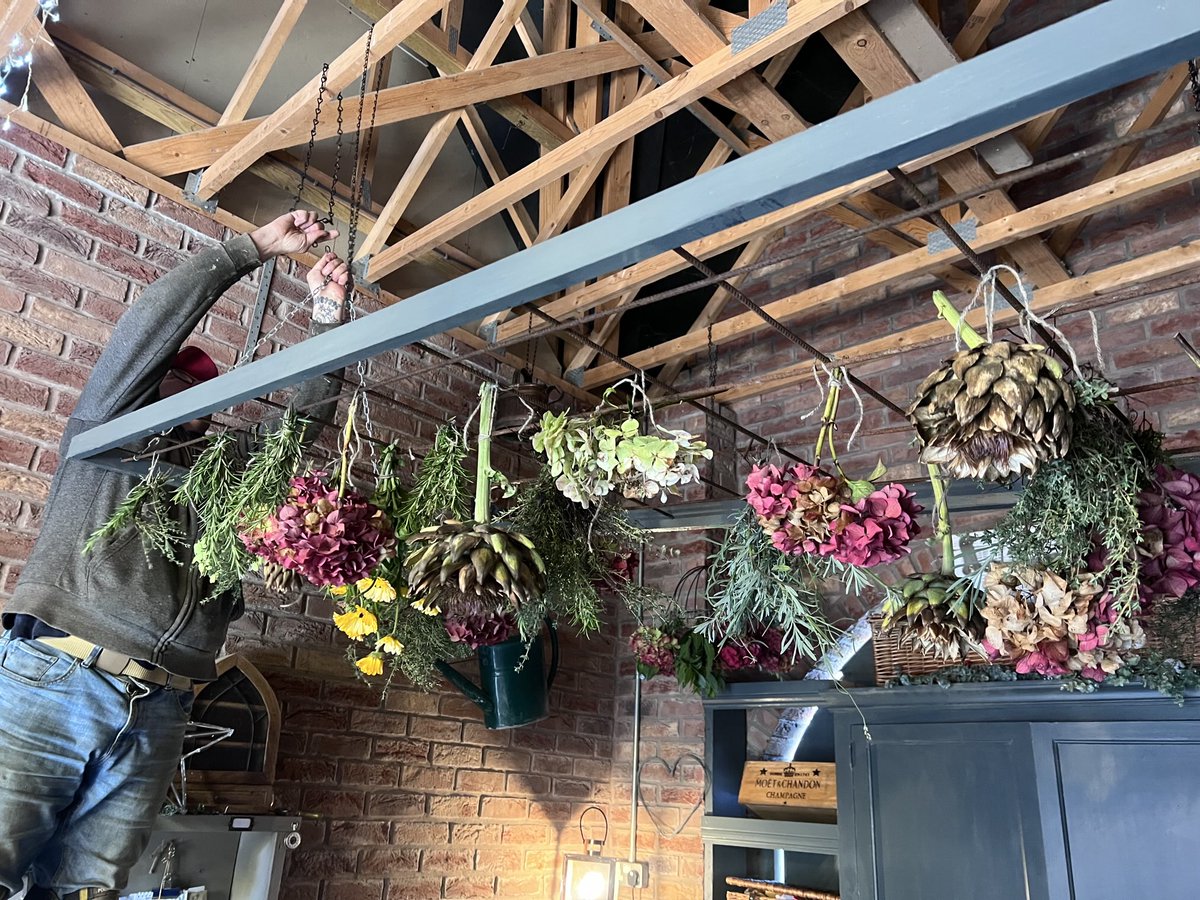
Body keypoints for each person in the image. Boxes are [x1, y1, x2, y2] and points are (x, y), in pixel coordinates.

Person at [0, 210, 350, 900]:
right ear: (149, 384)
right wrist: (249, 251)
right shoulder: (106, 433)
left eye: (203, 397)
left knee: (90, 889)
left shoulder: (221, 477)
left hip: (162, 705)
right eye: (177, 385)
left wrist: (328, 319)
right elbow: (146, 326)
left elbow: (298, 431)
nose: (194, 404)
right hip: (55, 680)